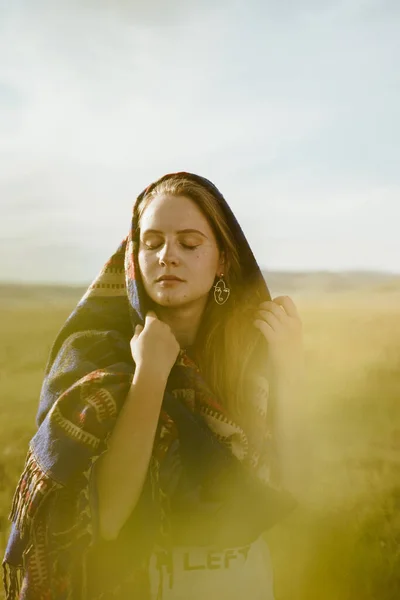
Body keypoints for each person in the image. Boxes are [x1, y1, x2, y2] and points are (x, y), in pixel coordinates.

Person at [3, 172, 304, 600]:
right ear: (133, 257)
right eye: (152, 242)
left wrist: (290, 369)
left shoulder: (250, 358)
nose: (167, 256)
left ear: (221, 259)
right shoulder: (99, 359)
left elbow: (292, 486)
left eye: (189, 242)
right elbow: (108, 516)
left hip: (245, 581)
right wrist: (150, 374)